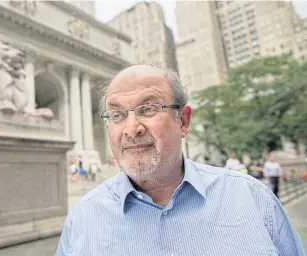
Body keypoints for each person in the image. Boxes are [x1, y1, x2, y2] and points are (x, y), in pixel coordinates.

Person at [56, 65, 305, 255]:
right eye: (117, 114)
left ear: (183, 121)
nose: (132, 129)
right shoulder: (83, 219)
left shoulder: (254, 199)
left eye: (148, 109)